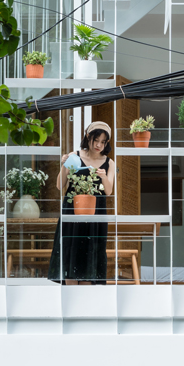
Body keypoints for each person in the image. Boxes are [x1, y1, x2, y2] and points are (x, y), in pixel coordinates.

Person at [48, 122, 116, 284]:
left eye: (103, 142)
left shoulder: (109, 163)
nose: (99, 145)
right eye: (96, 140)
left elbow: (108, 191)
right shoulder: (75, 156)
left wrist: (103, 176)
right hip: (72, 213)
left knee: (91, 255)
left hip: (96, 216)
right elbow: (59, 185)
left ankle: (86, 297)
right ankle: (70, 296)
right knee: (70, 252)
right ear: (88, 137)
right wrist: (64, 165)